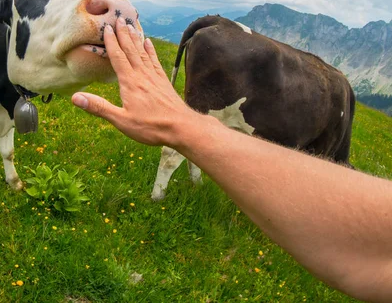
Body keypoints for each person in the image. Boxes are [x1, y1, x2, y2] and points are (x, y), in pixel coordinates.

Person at [71, 17, 392, 303]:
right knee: (195, 119)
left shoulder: (339, 87)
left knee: (195, 120)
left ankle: (187, 180)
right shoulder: (338, 96)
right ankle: (158, 193)